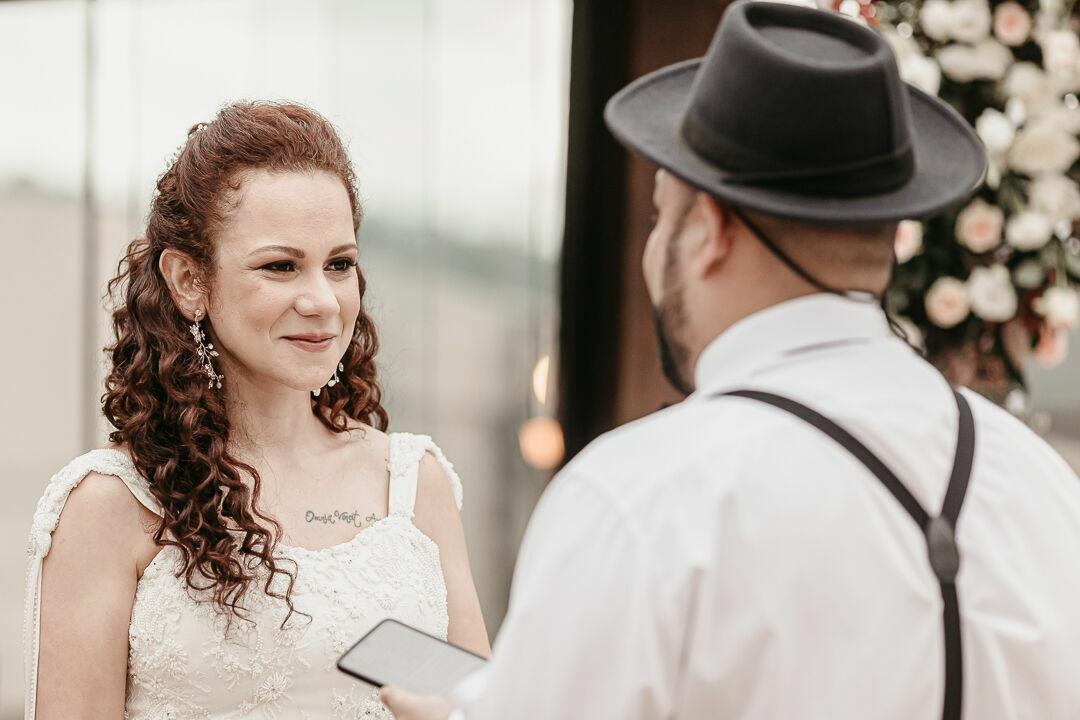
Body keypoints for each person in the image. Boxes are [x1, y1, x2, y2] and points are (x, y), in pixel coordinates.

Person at [380, 2, 1080, 718]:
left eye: (662, 216)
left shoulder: (640, 497)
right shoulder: (1042, 486)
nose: (655, 251)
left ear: (710, 229)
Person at [24, 101, 490, 719]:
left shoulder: (414, 481)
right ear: (190, 279)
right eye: (280, 266)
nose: (323, 301)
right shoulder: (111, 503)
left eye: (340, 264)